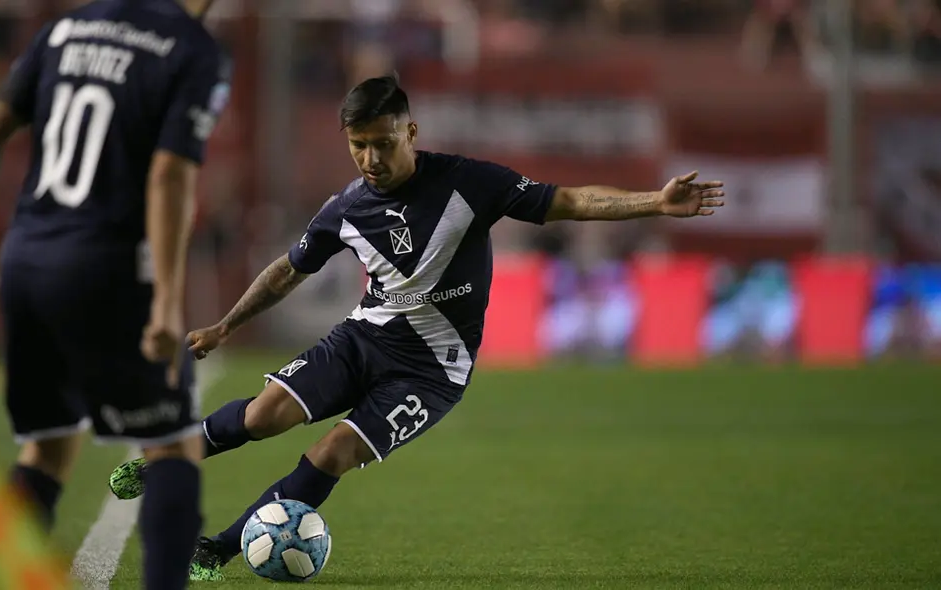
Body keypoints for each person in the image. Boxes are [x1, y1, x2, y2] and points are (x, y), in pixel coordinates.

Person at [108, 73, 725, 582]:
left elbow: (567, 201)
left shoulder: (471, 182)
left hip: (433, 369)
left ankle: (221, 548)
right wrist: (224, 325)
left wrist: (654, 200)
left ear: (411, 131)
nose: (371, 159)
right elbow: (286, 272)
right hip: (363, 338)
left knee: (333, 451)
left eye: (382, 142)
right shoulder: (346, 208)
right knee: (264, 414)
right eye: (359, 146)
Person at [0, 1, 231, 587]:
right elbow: (169, 175)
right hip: (108, 265)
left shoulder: (65, 29)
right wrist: (168, 303)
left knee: (46, 451)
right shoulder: (191, 48)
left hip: (26, 260)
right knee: (172, 448)